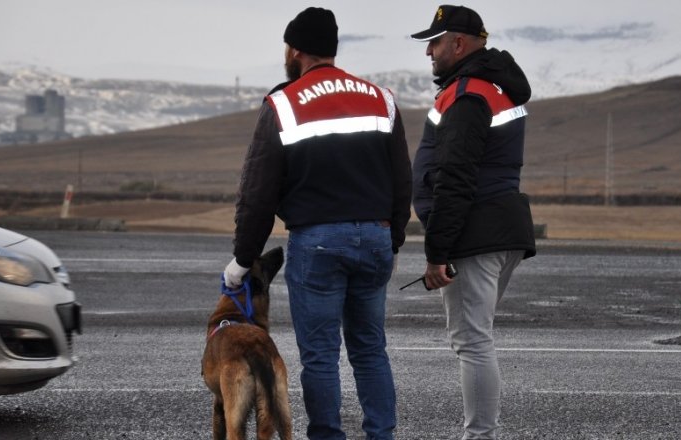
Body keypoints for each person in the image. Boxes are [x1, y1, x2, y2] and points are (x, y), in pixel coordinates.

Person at [222, 7, 412, 440]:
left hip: (319, 242)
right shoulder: (381, 99)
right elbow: (403, 179)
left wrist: (242, 257)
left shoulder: (283, 104)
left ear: (295, 50)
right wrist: (393, 238)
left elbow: (257, 192)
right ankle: (382, 435)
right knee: (370, 351)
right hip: (376, 237)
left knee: (321, 356)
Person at [409, 5, 536, 439]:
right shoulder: (491, 86)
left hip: (476, 233)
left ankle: (480, 434)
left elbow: (456, 176)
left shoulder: (467, 94)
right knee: (476, 338)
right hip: (500, 227)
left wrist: (437, 251)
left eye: (435, 42)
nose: (429, 52)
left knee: (472, 341)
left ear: (458, 43)